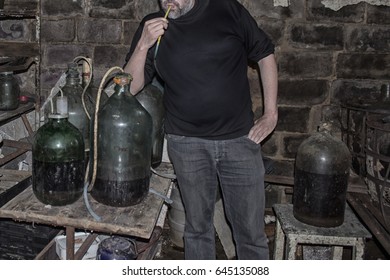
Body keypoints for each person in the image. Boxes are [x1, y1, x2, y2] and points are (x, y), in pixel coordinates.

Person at [124, 0, 278, 260]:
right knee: (197, 230)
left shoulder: (227, 9)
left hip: (240, 139)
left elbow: (265, 55)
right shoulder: (153, 27)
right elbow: (129, 86)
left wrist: (271, 115)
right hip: (186, 143)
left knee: (250, 234)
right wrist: (143, 45)